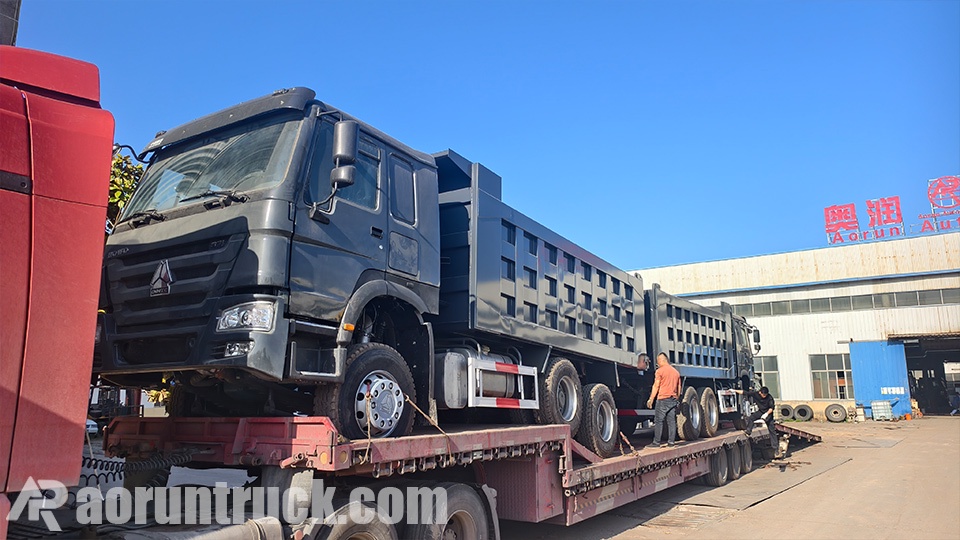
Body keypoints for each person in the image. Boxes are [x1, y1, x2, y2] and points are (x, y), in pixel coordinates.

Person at [646, 352, 683, 448]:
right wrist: (676, 398)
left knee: (659, 421)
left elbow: (656, 386)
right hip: (672, 399)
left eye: (658, 361)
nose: (657, 364)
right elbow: (679, 388)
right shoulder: (676, 372)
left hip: (662, 399)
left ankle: (656, 442)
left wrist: (651, 399)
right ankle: (671, 442)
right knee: (671, 422)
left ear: (661, 360)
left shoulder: (660, 371)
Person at [735, 386, 778, 452]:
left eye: (765, 395)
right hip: (761, 411)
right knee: (751, 418)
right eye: (763, 395)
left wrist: (766, 414)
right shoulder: (756, 394)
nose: (764, 396)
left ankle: (775, 448)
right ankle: (748, 431)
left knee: (772, 431)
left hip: (768, 414)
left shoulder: (769, 398)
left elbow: (771, 408)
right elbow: (744, 392)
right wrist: (734, 390)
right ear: (760, 392)